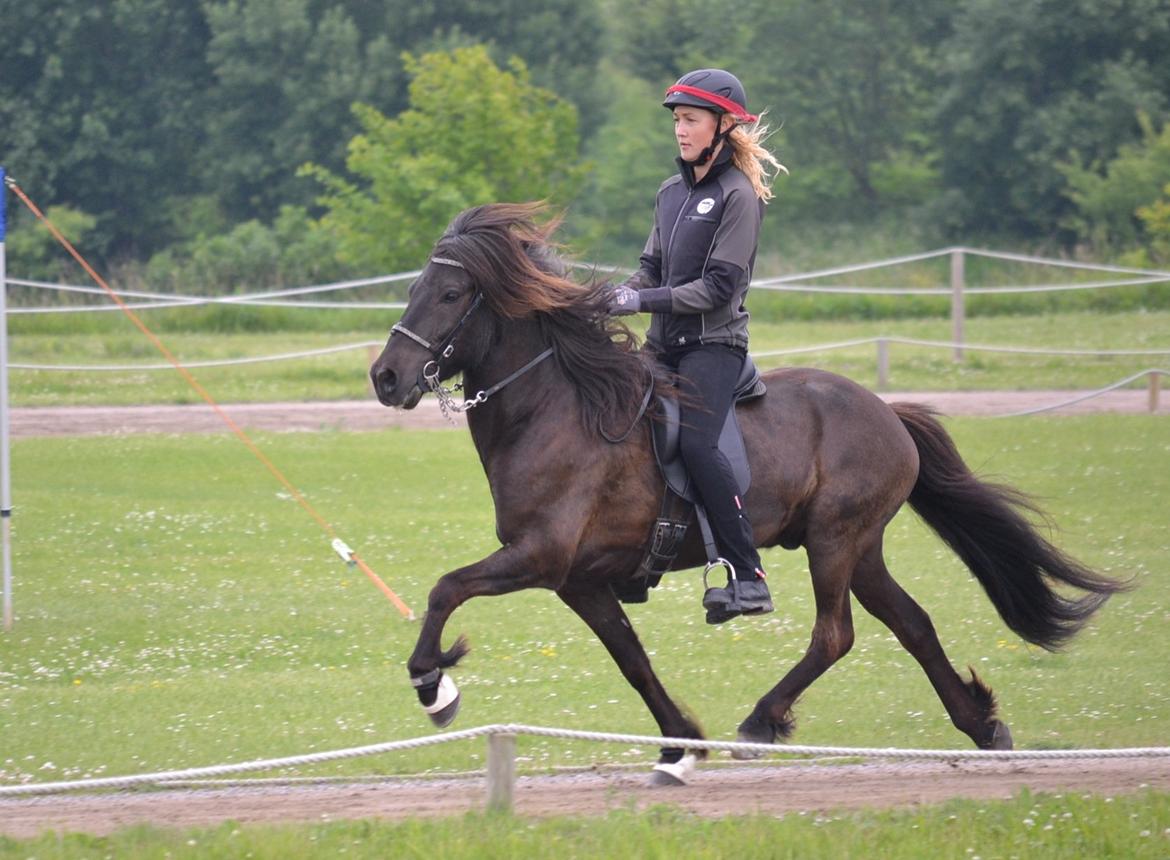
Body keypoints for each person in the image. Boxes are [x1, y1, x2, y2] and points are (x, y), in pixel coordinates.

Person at [609, 68, 786, 624]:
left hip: (714, 347)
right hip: (663, 346)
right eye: (677, 121)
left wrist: (639, 303)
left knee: (697, 447)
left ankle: (749, 576)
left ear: (723, 125)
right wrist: (616, 295)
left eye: (690, 120)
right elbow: (649, 269)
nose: (680, 131)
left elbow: (718, 289)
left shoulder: (740, 195)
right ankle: (634, 562)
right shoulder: (669, 193)